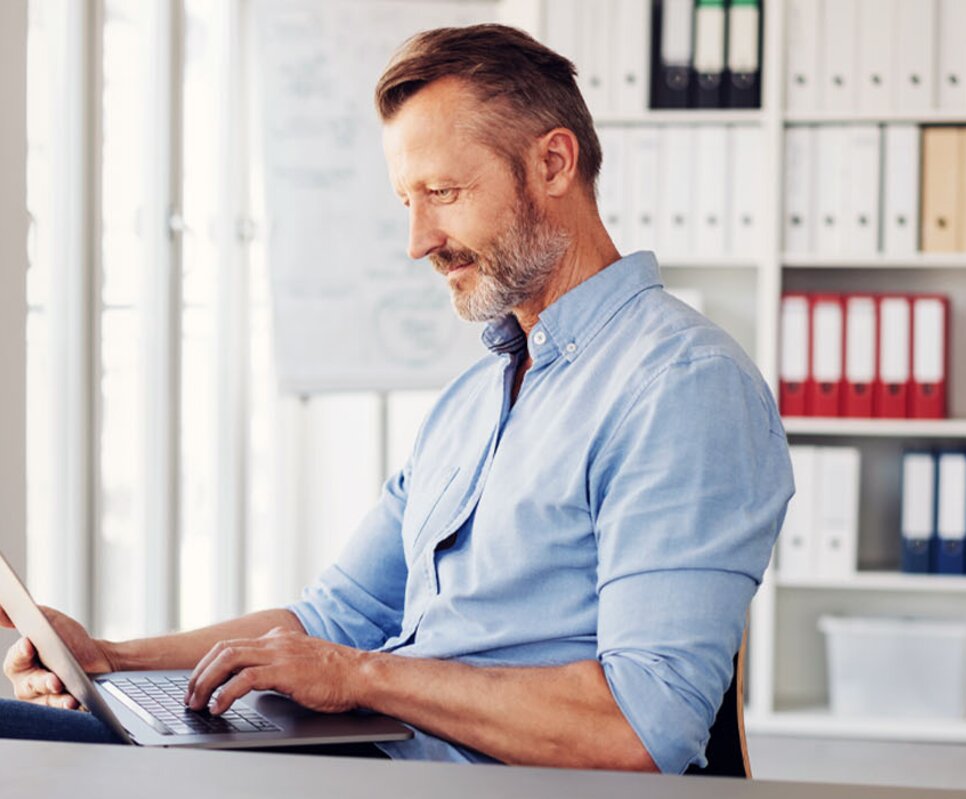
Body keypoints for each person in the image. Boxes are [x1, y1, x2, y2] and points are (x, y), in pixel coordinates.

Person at [1, 24, 793, 773]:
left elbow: (641, 727)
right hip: (364, 763)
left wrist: (362, 678)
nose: (418, 240)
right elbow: (327, 622)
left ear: (553, 164)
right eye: (406, 201)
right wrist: (114, 657)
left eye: (442, 192)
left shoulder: (682, 388)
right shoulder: (475, 401)